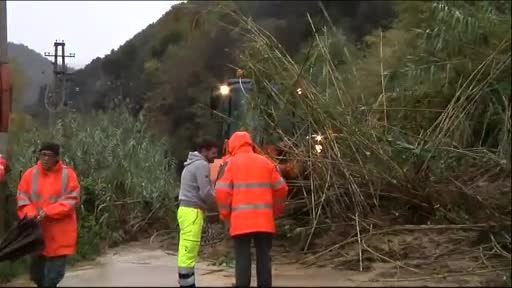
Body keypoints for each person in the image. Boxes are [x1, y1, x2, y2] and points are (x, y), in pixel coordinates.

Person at [215, 131, 288, 287]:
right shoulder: (266, 162)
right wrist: (275, 210)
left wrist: (225, 213)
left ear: (233, 146)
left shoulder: (231, 164)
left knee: (242, 257)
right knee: (264, 257)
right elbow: (282, 188)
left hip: (241, 222)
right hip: (264, 221)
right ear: (250, 143)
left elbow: (221, 190)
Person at [16, 142, 80, 287]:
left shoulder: (68, 175)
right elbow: (22, 198)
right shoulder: (30, 174)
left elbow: (71, 200)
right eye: (42, 154)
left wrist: (47, 212)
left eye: (48, 155)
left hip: (60, 235)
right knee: (37, 276)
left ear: (56, 157)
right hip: (37, 236)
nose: (44, 158)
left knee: (53, 277)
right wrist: (31, 214)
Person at [177, 137, 218, 288]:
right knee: (189, 251)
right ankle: (187, 285)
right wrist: (220, 204)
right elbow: (206, 192)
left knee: (185, 250)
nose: (215, 156)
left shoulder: (191, 165)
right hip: (192, 213)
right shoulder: (201, 165)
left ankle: (185, 282)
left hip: (185, 211)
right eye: (213, 153)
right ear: (204, 151)